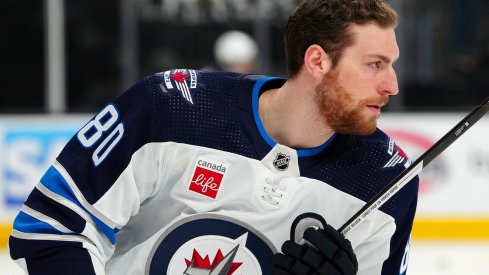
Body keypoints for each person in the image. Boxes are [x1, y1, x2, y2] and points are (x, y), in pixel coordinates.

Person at [9, 0, 418, 274]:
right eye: (375, 64)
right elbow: (50, 229)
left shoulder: (387, 181)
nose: (392, 85)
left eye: (392, 65)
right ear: (317, 61)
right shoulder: (172, 109)